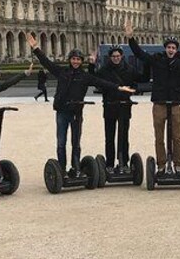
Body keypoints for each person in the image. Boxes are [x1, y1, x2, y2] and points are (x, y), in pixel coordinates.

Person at [28, 34, 135, 174]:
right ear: (70, 60)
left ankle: (75, 167)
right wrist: (36, 48)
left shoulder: (85, 76)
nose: (76, 62)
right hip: (62, 111)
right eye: (73, 59)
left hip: (76, 112)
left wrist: (119, 87)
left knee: (76, 143)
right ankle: (61, 168)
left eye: (78, 59)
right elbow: (47, 62)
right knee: (61, 143)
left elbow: (102, 82)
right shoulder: (62, 72)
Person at [125, 20, 180, 174]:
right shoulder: (157, 59)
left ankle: (177, 164)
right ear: (165, 48)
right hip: (159, 102)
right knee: (159, 137)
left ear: (177, 49)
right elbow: (140, 54)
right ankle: (161, 165)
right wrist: (130, 38)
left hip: (175, 102)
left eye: (174, 48)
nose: (171, 50)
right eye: (169, 47)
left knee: (176, 136)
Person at [89, 46, 141, 169]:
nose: (116, 58)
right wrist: (91, 64)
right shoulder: (104, 70)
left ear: (121, 56)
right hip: (109, 105)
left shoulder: (129, 69)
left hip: (124, 105)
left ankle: (124, 162)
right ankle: (110, 163)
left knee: (124, 136)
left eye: (118, 56)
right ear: (110, 57)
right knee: (109, 136)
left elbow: (137, 82)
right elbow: (94, 80)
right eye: (113, 56)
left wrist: (134, 90)